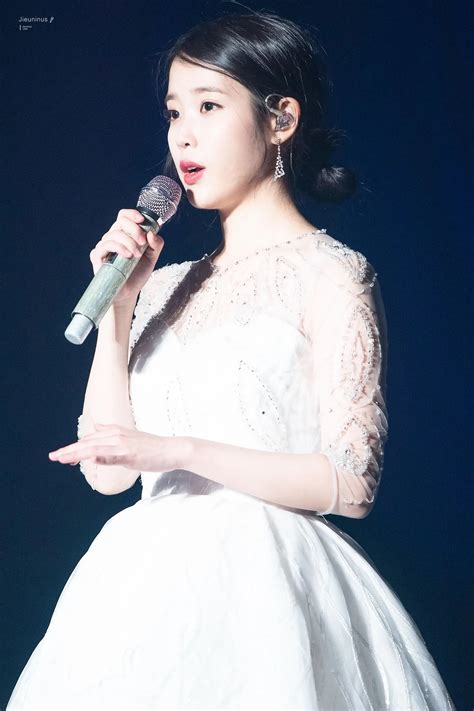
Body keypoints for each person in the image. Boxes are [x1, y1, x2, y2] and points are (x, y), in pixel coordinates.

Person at [7, 11, 455, 710]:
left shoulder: (333, 274)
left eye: (209, 107)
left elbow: (352, 483)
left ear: (281, 120)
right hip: (138, 593)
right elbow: (105, 472)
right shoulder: (158, 285)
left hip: (269, 588)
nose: (182, 135)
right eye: (174, 112)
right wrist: (118, 314)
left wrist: (177, 450)